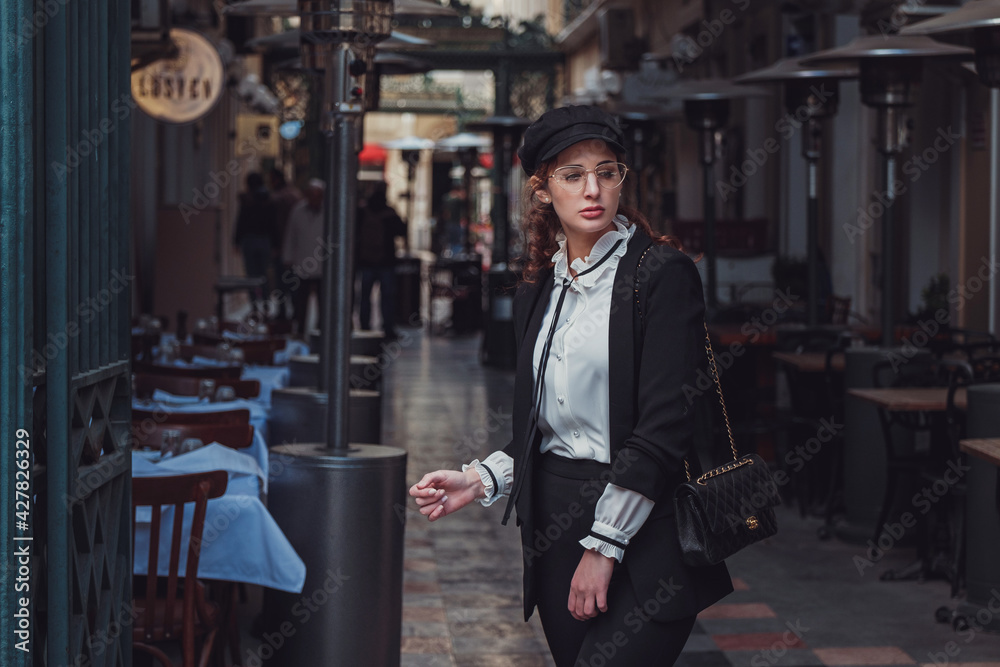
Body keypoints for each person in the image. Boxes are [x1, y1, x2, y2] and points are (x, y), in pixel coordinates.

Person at [409, 106, 733, 666]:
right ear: (541, 190)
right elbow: (548, 426)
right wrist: (480, 478)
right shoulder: (540, 286)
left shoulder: (660, 275)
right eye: (573, 174)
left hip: (642, 527)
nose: (593, 189)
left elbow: (662, 430)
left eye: (607, 173)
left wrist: (603, 548)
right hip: (553, 529)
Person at [356, 184, 407, 339]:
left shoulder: (363, 212)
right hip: (386, 262)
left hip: (366, 262)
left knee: (365, 297)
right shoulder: (389, 213)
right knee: (387, 297)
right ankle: (388, 327)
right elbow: (402, 231)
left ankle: (365, 326)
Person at [281, 178, 326, 337]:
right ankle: (300, 331)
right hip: (302, 263)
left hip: (322, 266)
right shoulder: (297, 211)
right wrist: (288, 257)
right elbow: (291, 235)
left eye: (318, 195)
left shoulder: (329, 212)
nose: (314, 198)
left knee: (324, 302)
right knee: (300, 303)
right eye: (311, 194)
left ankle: (322, 332)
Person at [233, 172, 279, 311]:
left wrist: (236, 241)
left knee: (251, 274)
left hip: (249, 240)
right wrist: (275, 244)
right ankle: (265, 302)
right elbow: (273, 224)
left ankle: (254, 304)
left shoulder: (247, 200)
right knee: (263, 274)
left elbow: (241, 222)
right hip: (264, 240)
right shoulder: (269, 199)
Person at [269, 168, 303, 321]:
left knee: (283, 284)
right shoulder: (295, 196)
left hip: (283, 247)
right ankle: (295, 313)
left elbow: (274, 225)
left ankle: (284, 313)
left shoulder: (278, 198)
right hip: (294, 248)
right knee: (293, 284)